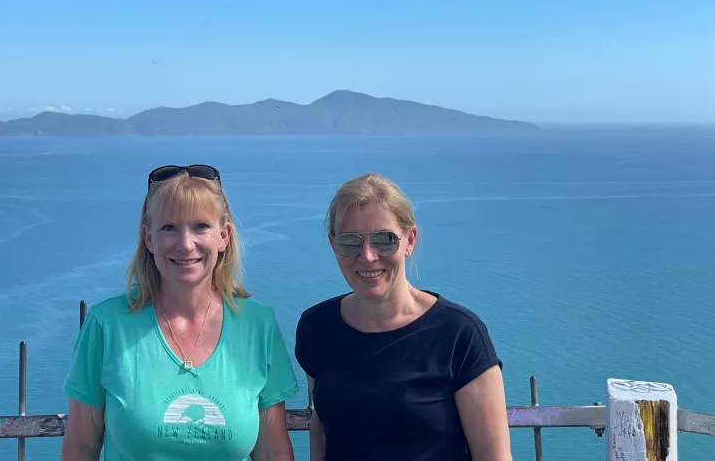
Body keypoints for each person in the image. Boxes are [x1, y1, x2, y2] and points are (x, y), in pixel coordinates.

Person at [61, 164, 299, 461]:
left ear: (224, 236)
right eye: (169, 227)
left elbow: (273, 451)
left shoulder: (258, 325)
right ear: (149, 239)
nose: (186, 244)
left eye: (201, 226)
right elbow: (81, 447)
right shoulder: (107, 325)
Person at [295, 172, 511, 461]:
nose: (368, 256)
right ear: (334, 246)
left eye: (384, 240)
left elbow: (492, 456)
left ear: (409, 240)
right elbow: (321, 428)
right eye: (350, 242)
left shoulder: (459, 333)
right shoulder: (317, 328)